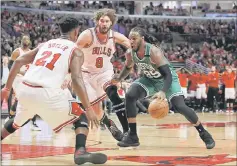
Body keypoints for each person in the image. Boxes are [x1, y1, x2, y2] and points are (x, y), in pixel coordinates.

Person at [1, 17, 107, 165]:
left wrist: (6, 88)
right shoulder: (75, 50)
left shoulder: (46, 44)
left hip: (25, 90)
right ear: (76, 31)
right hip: (46, 92)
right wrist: (89, 108)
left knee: (17, 122)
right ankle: (80, 152)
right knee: (81, 116)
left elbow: (18, 61)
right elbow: (77, 79)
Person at [112, 27, 215, 149]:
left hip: (168, 80)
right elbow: (128, 68)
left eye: (134, 38)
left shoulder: (154, 52)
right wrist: (119, 78)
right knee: (130, 95)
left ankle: (204, 133)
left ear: (142, 39)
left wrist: (163, 91)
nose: (131, 41)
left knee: (180, 106)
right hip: (150, 79)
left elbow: (168, 75)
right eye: (130, 39)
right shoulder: (130, 53)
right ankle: (133, 136)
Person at [75, 8, 130, 140]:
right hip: (86, 74)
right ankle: (109, 123)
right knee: (97, 110)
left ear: (111, 23)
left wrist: (130, 53)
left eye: (107, 21)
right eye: (102, 20)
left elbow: (129, 45)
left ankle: (128, 131)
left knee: (113, 93)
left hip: (104, 72)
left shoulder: (114, 36)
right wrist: (68, 73)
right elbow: (73, 51)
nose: (104, 23)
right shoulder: (87, 35)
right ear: (97, 21)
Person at [6, 36, 41, 131]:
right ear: (22, 42)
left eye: (27, 39)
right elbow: (10, 66)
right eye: (24, 39)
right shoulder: (17, 52)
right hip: (18, 78)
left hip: (27, 78)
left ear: (29, 42)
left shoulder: (31, 52)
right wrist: (20, 72)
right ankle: (11, 118)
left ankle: (32, 123)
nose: (26, 41)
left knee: (30, 99)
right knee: (22, 98)